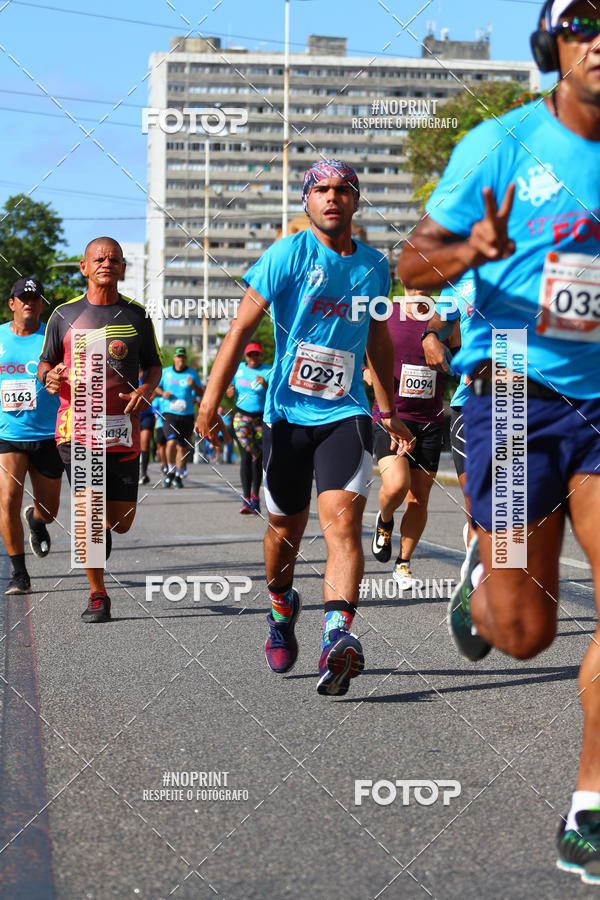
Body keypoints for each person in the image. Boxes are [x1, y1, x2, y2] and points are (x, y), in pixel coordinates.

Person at [397, 0, 600, 882]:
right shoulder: (502, 144)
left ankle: (590, 806)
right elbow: (411, 265)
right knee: (522, 634)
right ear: (553, 42)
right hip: (514, 394)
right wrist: (474, 249)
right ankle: (485, 574)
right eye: (585, 23)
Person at [196, 159, 414, 696]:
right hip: (287, 417)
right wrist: (209, 404)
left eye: (343, 190)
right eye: (322, 190)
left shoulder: (374, 266)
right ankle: (280, 606)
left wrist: (388, 407)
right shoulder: (286, 255)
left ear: (356, 201)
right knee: (283, 537)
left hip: (347, 413)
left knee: (342, 527)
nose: (333, 198)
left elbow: (378, 339)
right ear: (306, 201)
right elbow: (240, 327)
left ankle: (336, 637)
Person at [39, 237, 162, 623]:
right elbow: (44, 365)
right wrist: (50, 377)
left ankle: (102, 529)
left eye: (114, 259)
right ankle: (98, 594)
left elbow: (153, 365)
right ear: (84, 267)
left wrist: (147, 389)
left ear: (123, 268)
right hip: (76, 429)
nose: (107, 263)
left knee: (121, 523)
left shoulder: (138, 316)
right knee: (89, 510)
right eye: (99, 258)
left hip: (123, 430)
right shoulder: (64, 315)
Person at [368, 290, 449, 588]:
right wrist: (366, 370)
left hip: (430, 420)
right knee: (397, 485)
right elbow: (360, 345)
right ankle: (385, 520)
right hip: (391, 417)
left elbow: (458, 353)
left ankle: (403, 563)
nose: (419, 286)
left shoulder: (442, 315)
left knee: (420, 497)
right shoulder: (385, 311)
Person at [0, 277, 63, 595]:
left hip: (49, 434)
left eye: (34, 298)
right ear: (11, 303)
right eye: (22, 298)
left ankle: (36, 521)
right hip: (8, 433)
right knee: (7, 500)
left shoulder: (52, 338)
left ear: (41, 305)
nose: (28, 302)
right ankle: (19, 573)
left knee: (49, 510)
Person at [226, 340, 271, 514]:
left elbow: (276, 393)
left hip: (261, 418)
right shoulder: (238, 370)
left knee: (257, 458)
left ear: (261, 355)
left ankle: (255, 498)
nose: (254, 358)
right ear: (246, 356)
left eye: (256, 354)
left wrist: (266, 385)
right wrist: (229, 393)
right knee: (246, 455)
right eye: (250, 354)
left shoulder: (268, 370)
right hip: (241, 417)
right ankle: (246, 499)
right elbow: (229, 390)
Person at [155, 347, 203, 488]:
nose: (180, 359)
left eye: (182, 357)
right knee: (170, 442)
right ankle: (171, 470)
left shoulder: (192, 374)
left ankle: (177, 475)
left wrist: (193, 385)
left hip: (186, 414)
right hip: (169, 413)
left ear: (185, 359)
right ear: (175, 358)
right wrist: (163, 393)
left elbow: (201, 392)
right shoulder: (166, 372)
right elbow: (156, 387)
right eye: (178, 357)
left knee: (183, 448)